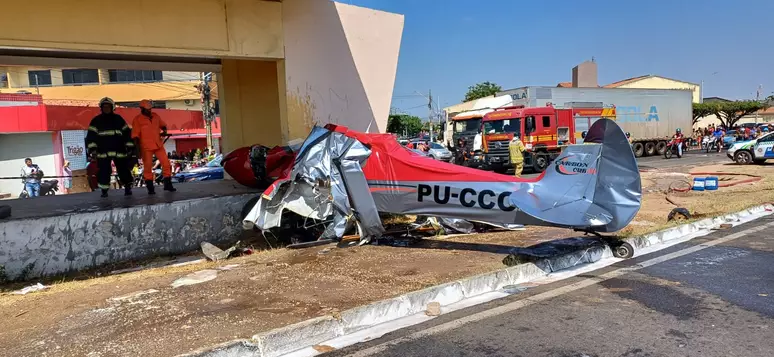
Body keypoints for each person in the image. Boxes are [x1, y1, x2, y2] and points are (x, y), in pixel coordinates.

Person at [85, 97, 134, 197]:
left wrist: (129, 147)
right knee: (104, 171)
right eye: (104, 107)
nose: (106, 108)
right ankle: (104, 191)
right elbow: (91, 136)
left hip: (119, 150)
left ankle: (128, 188)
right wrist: (93, 149)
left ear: (112, 108)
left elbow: (126, 133)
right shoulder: (96, 121)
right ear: (101, 108)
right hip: (103, 151)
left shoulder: (118, 119)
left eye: (108, 107)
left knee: (123, 169)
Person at [131, 99, 176, 194]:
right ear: (142, 109)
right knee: (147, 168)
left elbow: (163, 125)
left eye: (150, 109)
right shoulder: (137, 120)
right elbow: (135, 136)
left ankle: (167, 184)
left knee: (166, 164)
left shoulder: (156, 116)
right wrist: (137, 150)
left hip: (158, 145)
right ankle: (150, 188)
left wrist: (164, 130)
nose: (149, 110)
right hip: (146, 147)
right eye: (147, 109)